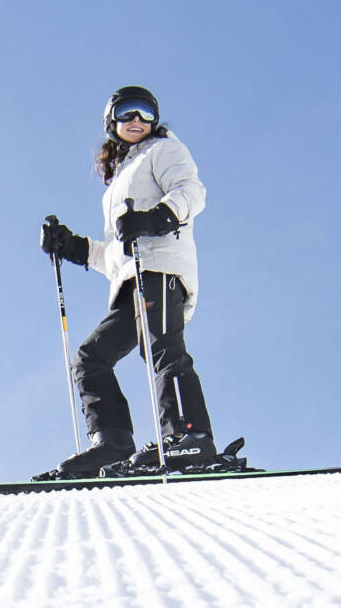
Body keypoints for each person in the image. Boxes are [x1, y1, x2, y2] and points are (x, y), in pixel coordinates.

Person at [36, 84, 220, 478]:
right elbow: (118, 253)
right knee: (90, 359)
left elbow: (191, 191)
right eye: (127, 112)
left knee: (162, 349)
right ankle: (112, 443)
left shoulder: (165, 150)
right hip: (129, 283)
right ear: (111, 122)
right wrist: (72, 246)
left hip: (162, 270)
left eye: (145, 112)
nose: (137, 120)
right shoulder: (120, 178)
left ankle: (191, 437)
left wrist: (160, 216)